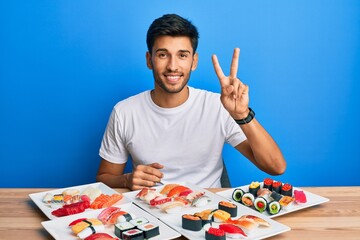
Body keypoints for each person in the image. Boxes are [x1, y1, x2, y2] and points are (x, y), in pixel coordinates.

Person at [96, 14, 286, 190]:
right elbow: (104, 177)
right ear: (149, 60)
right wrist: (126, 180)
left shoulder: (218, 106)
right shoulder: (124, 112)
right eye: (163, 54)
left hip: (210, 215)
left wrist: (242, 115)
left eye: (182, 55)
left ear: (194, 61)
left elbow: (276, 167)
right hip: (150, 215)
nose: (172, 66)